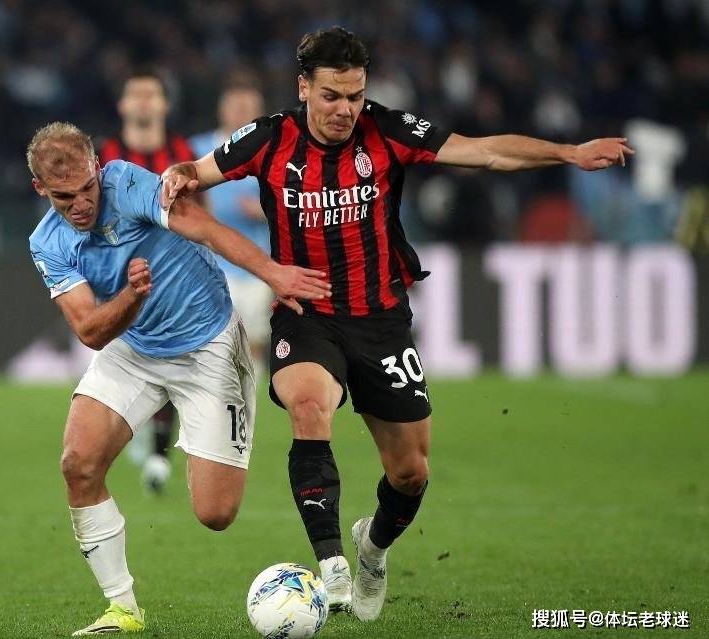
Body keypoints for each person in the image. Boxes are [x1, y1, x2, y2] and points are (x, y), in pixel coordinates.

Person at [163, 26, 634, 621]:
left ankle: (372, 547)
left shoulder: (386, 130)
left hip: (381, 321)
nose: (345, 109)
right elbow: (194, 172)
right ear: (303, 88)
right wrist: (180, 172)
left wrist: (567, 153)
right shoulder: (268, 138)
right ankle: (331, 566)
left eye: (355, 95)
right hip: (307, 315)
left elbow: (484, 151)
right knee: (308, 406)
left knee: (411, 473)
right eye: (332, 96)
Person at [26, 122, 330, 635]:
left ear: (98, 168)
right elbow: (90, 331)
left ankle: (199, 446)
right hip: (132, 349)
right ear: (40, 189)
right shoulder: (47, 242)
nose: (80, 204)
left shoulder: (127, 184)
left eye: (86, 188)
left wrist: (274, 274)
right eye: (64, 197)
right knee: (78, 463)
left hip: (209, 346)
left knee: (216, 513)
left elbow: (206, 228)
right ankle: (123, 609)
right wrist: (132, 297)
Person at [98, 67, 197, 494]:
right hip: (116, 279)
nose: (142, 101)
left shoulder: (182, 152)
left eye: (150, 94)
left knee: (170, 360)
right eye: (135, 94)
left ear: (164, 104)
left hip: (171, 276)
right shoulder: (105, 155)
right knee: (118, 367)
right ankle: (136, 430)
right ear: (122, 105)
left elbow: (200, 212)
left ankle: (158, 454)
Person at [189, 81, 272, 373]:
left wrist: (263, 211)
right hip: (212, 263)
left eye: (248, 108)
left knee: (255, 340)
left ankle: (253, 392)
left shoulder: (270, 153)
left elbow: (292, 201)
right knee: (217, 343)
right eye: (236, 107)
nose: (241, 113)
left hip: (258, 263)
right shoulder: (198, 149)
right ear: (221, 110)